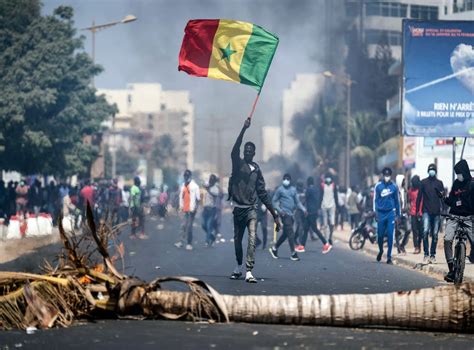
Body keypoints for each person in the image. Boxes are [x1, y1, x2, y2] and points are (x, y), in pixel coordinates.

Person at [228, 118, 280, 283]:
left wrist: (274, 214)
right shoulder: (238, 164)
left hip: (251, 208)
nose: (248, 152)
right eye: (246, 150)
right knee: (237, 240)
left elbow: (263, 193)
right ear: (244, 152)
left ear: (254, 153)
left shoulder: (256, 169)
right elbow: (233, 151)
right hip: (238, 208)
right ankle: (238, 267)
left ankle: (249, 270)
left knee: (252, 238)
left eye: (251, 151)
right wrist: (243, 129)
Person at [443, 159, 474, 282]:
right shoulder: (456, 183)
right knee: (447, 239)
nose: (458, 176)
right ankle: (451, 269)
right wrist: (444, 199)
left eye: (459, 173)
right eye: (457, 174)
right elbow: (451, 200)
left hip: (469, 218)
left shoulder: (472, 184)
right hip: (454, 216)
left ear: (465, 172)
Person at [269, 174, 307, 261]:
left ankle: (274, 248)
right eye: (284, 179)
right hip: (284, 214)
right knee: (291, 233)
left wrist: (304, 209)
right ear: (283, 180)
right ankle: (293, 253)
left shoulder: (293, 190)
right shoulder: (280, 190)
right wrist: (279, 210)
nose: (286, 180)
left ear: (290, 180)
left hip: (291, 214)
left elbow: (297, 202)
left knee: (285, 234)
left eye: (287, 179)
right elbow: (274, 202)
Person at [416, 164, 445, 264]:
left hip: (436, 212)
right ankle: (426, 254)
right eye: (430, 170)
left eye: (433, 170)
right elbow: (419, 197)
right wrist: (417, 211)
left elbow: (442, 198)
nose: (431, 171)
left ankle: (433, 255)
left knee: (435, 234)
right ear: (428, 171)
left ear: (436, 171)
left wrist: (444, 211)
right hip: (426, 211)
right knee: (425, 232)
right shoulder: (423, 182)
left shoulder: (439, 183)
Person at [374, 167, 400, 265]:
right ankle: (381, 250)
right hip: (381, 213)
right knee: (380, 235)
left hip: (390, 213)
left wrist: (398, 215)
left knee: (390, 234)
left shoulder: (394, 187)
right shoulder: (378, 186)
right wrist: (375, 212)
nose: (387, 177)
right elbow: (375, 201)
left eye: (388, 175)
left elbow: (397, 201)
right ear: (382, 175)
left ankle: (389, 257)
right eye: (385, 175)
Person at [300, 176, 332, 254]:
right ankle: (302, 246)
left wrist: (302, 208)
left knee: (314, 229)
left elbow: (305, 200)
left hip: (310, 212)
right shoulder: (316, 189)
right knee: (306, 228)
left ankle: (326, 243)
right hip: (315, 211)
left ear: (308, 183)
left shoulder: (308, 190)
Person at [174, 170, 200, 250]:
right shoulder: (183, 186)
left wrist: (196, 208)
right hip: (185, 209)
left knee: (189, 226)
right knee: (183, 226)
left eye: (187, 176)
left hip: (192, 209)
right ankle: (181, 242)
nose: (186, 177)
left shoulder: (195, 186)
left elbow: (198, 199)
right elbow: (181, 197)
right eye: (185, 176)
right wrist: (180, 206)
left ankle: (189, 243)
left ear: (190, 176)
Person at [202, 174, 219, 247]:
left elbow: (215, 195)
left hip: (212, 209)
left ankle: (207, 241)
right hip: (205, 208)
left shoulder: (215, 188)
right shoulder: (208, 186)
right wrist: (206, 187)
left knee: (209, 226)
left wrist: (208, 190)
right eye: (210, 180)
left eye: (212, 180)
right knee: (203, 225)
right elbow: (203, 184)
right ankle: (212, 237)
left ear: (214, 181)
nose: (211, 181)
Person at [395, 174, 410, 255]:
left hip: (405, 214)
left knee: (408, 229)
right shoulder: (394, 191)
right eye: (403, 181)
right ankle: (398, 248)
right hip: (397, 214)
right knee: (397, 232)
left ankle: (402, 245)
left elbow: (407, 202)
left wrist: (408, 208)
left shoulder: (405, 191)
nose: (404, 182)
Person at [320, 175, 338, 245]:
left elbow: (335, 196)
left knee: (332, 223)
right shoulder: (322, 185)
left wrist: (338, 206)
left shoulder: (333, 186)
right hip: (324, 205)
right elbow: (320, 196)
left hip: (332, 205)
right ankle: (326, 240)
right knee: (325, 224)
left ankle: (330, 237)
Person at [407, 175, 423, 254]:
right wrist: (410, 208)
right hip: (413, 213)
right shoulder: (410, 191)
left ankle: (419, 245)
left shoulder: (421, 189)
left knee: (421, 231)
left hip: (421, 212)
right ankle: (416, 247)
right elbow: (409, 201)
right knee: (414, 230)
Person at [294, 180, 306, 252]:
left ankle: (295, 238)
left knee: (300, 227)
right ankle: (301, 244)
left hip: (303, 211)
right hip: (297, 211)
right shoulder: (294, 192)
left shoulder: (304, 191)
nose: (300, 187)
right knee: (300, 227)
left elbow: (306, 200)